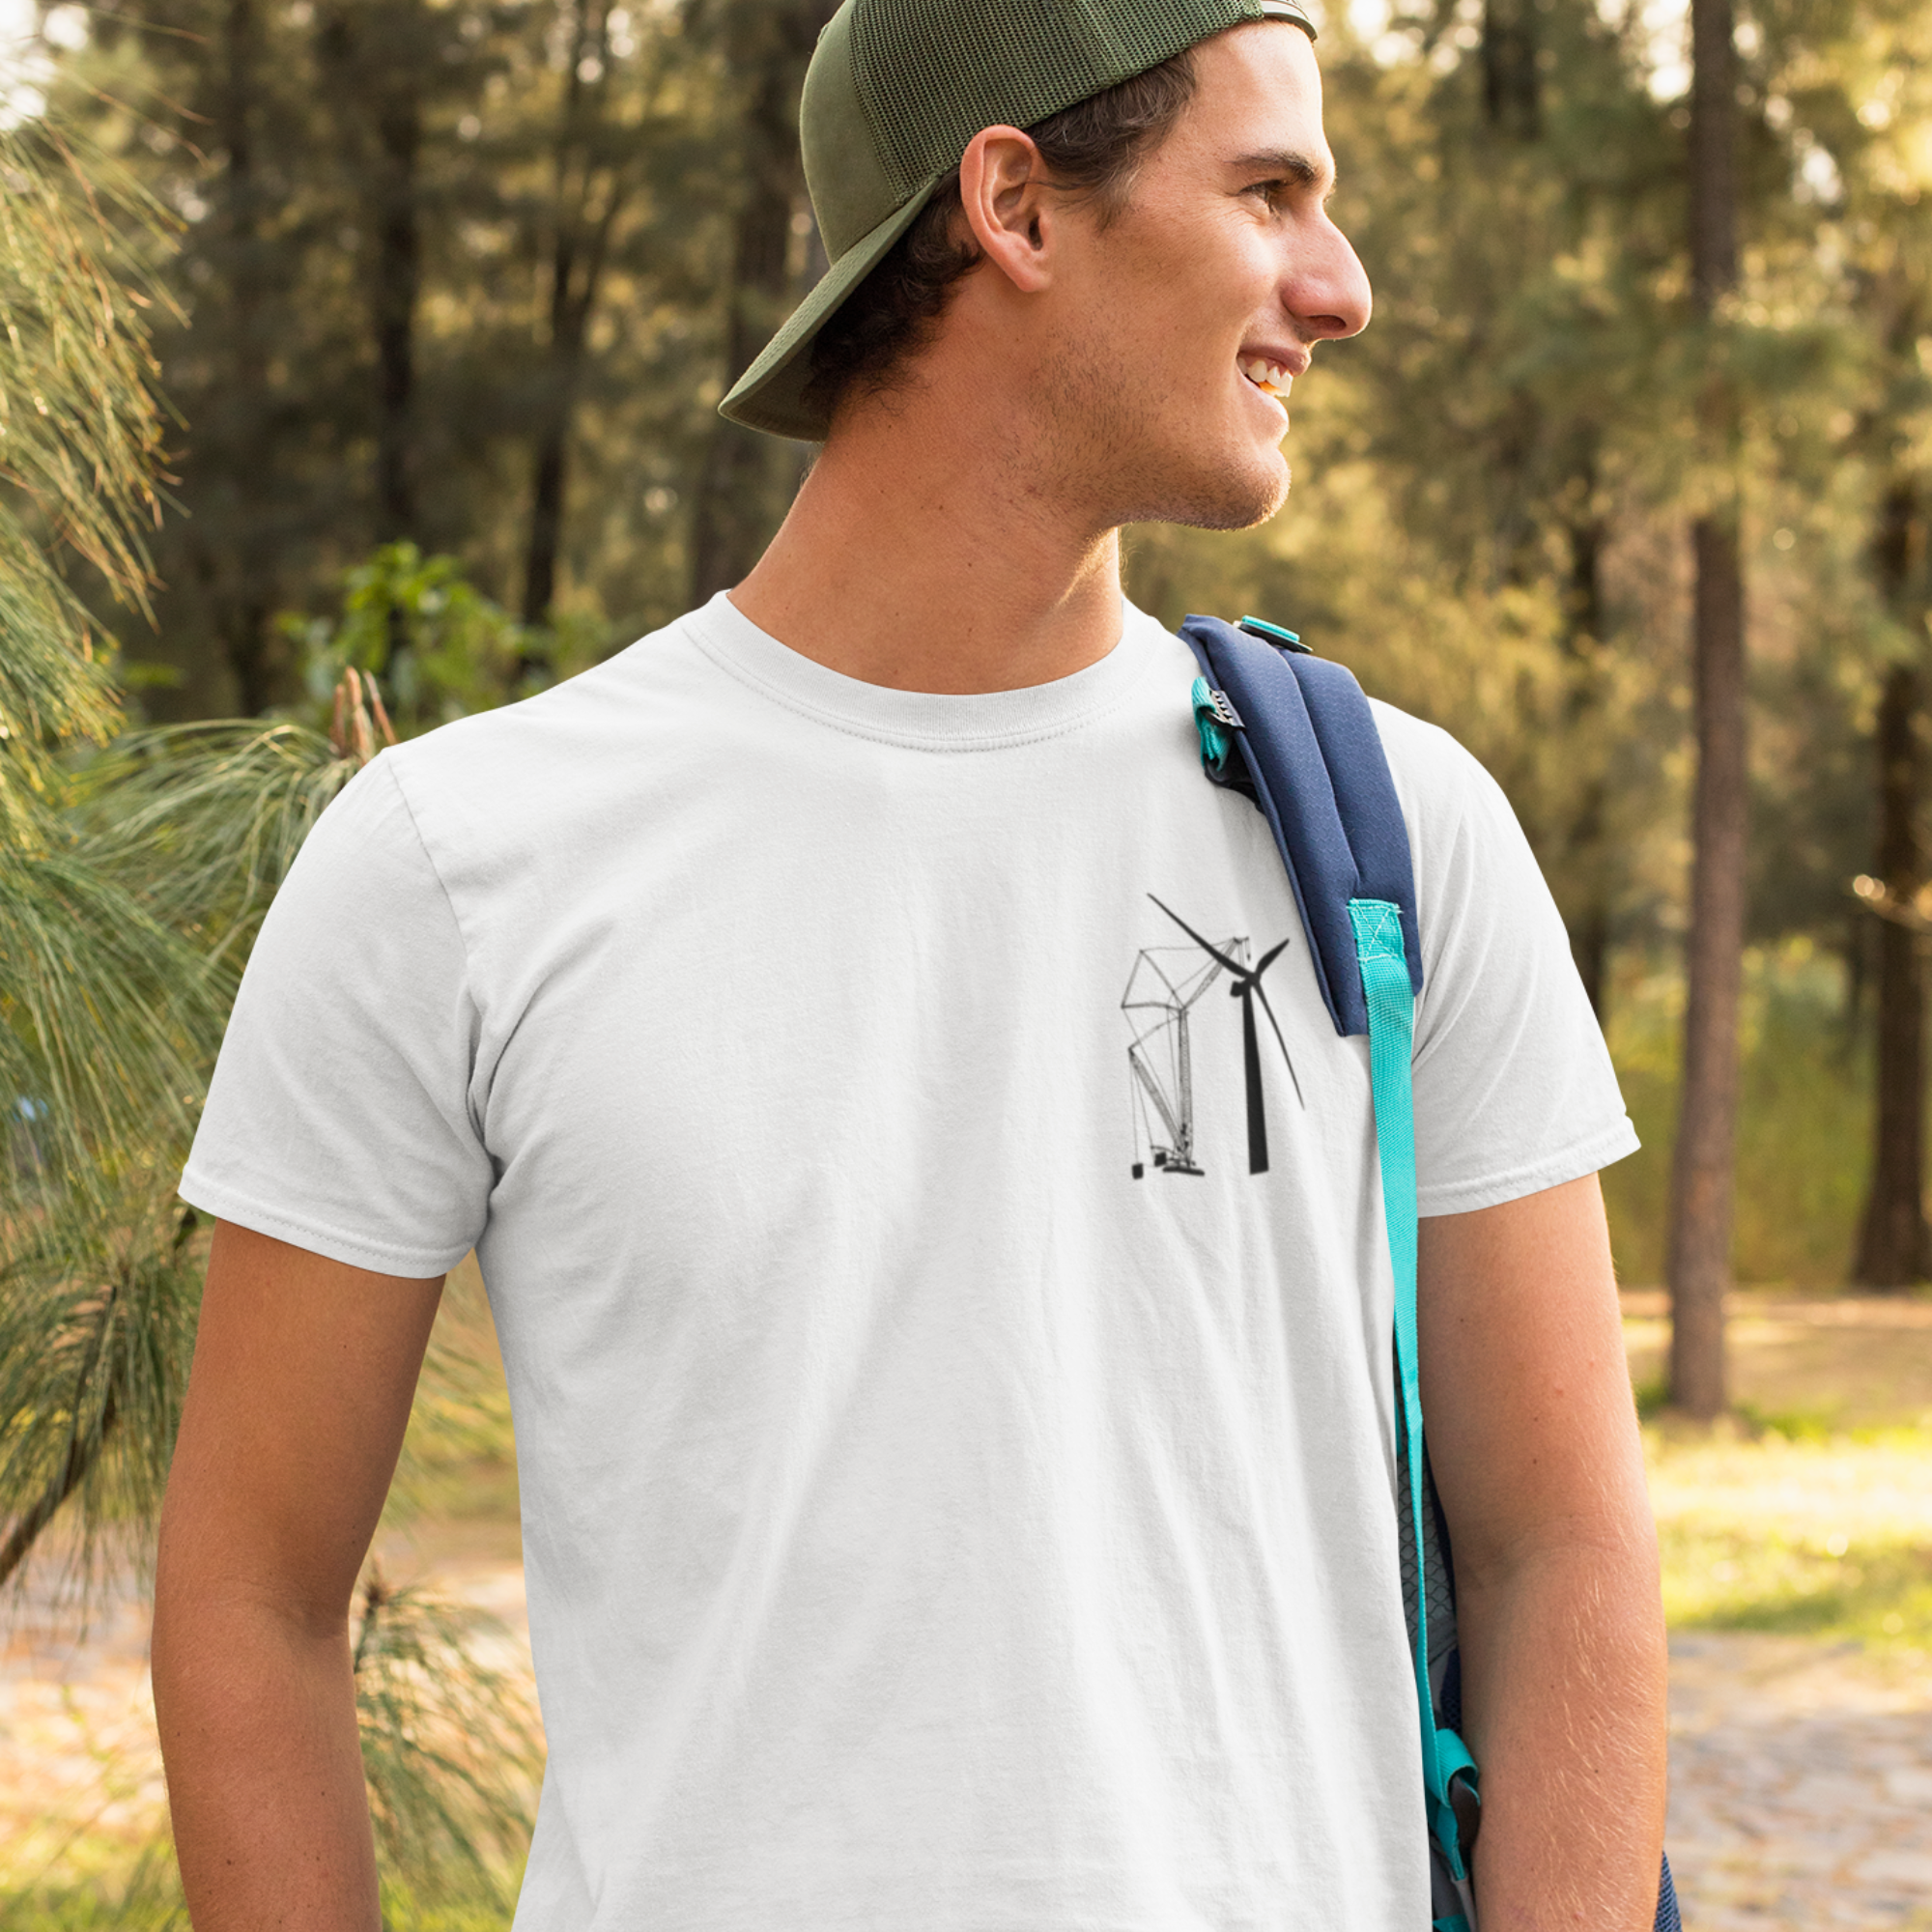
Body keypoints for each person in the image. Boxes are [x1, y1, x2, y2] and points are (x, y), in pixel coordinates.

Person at [152, 1, 1669, 1926]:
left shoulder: (1392, 832)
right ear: (1017, 205)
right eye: (1270, 189)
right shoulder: (460, 863)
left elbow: (1561, 1556)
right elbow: (252, 1597)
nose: (1340, 286)